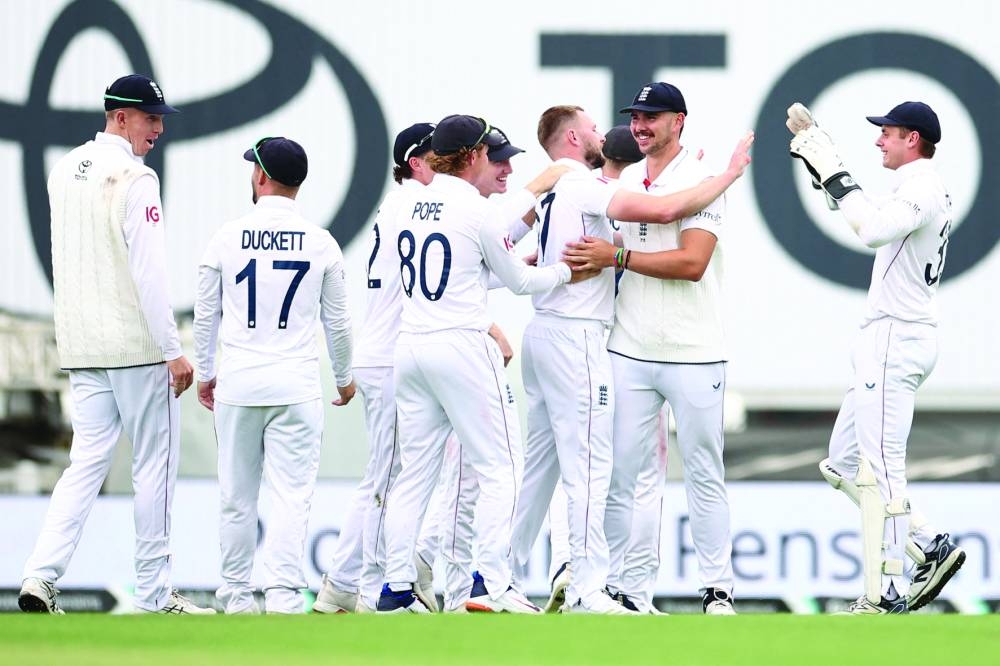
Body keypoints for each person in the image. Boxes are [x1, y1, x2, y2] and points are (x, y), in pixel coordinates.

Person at [510, 103, 751, 614]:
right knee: (615, 475)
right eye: (633, 119)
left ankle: (716, 590)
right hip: (628, 348)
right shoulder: (624, 178)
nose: (638, 126)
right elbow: (624, 230)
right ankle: (615, 589)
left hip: (695, 351)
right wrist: (572, 254)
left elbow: (691, 262)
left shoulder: (702, 180)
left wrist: (612, 255)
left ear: (679, 121)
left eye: (651, 117)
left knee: (703, 472)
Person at [376, 114, 590, 614]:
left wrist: (522, 267)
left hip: (412, 345)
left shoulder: (408, 204)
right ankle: (490, 585)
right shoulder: (477, 211)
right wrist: (562, 271)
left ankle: (396, 588)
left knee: (414, 476)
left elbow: (463, 271)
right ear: (472, 155)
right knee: (503, 468)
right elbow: (518, 282)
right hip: (461, 345)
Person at [18, 74, 213, 615]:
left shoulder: (63, 170)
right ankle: (155, 594)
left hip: (83, 345)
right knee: (154, 465)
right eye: (150, 118)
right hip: (135, 345)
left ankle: (39, 574)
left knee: (84, 463)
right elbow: (149, 274)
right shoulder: (136, 178)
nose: (158, 129)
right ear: (120, 116)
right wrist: (173, 348)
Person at [787, 101, 965, 614]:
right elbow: (865, 216)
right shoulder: (917, 185)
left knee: (881, 467)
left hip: (897, 338)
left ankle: (884, 589)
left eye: (886, 133)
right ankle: (929, 544)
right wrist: (828, 176)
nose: (879, 140)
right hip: (894, 337)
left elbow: (871, 231)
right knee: (841, 462)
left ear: (913, 138)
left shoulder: (923, 186)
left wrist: (834, 171)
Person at [193, 136, 356, 614]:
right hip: (296, 383)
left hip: (240, 381)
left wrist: (206, 372)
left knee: (236, 497)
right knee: (291, 495)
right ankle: (285, 596)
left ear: (261, 176)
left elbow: (207, 316)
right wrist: (344, 378)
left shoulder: (226, 237)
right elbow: (338, 323)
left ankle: (237, 596)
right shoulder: (322, 242)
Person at [313, 123, 441, 614]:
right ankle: (369, 588)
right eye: (437, 157)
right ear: (415, 162)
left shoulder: (403, 203)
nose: (446, 164)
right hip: (388, 356)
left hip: (387, 353)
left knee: (384, 477)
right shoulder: (411, 203)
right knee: (386, 480)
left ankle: (342, 585)